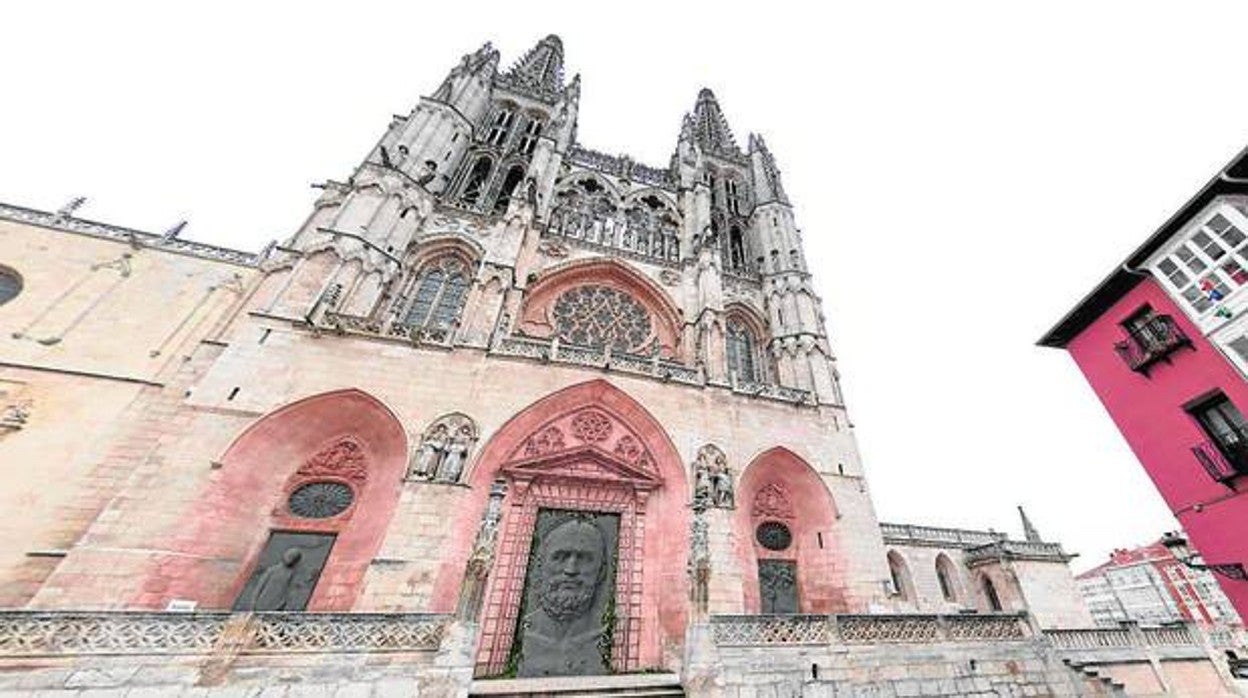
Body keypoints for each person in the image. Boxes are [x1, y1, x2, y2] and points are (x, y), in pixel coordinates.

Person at [516, 519, 611, 677]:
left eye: (585, 559)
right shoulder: (524, 632)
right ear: (540, 565)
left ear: (601, 571)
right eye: (559, 557)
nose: (570, 570)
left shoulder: (608, 637)